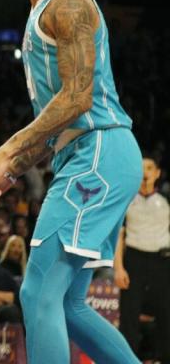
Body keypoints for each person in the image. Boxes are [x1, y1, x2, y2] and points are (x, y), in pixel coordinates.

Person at [0, 0, 143, 363]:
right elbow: (54, 124)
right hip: (92, 153)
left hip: (98, 152)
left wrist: (2, 153)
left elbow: (78, 97)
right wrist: (13, 168)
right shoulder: (42, 8)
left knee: (37, 292)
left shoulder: (68, 2)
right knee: (67, 303)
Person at [114, 154, 169, 361]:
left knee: (166, 316)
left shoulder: (165, 200)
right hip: (134, 261)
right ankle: (127, 360)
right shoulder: (126, 200)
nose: (145, 173)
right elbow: (119, 236)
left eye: (149, 168)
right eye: (141, 168)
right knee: (129, 316)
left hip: (163, 261)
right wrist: (118, 268)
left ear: (157, 174)